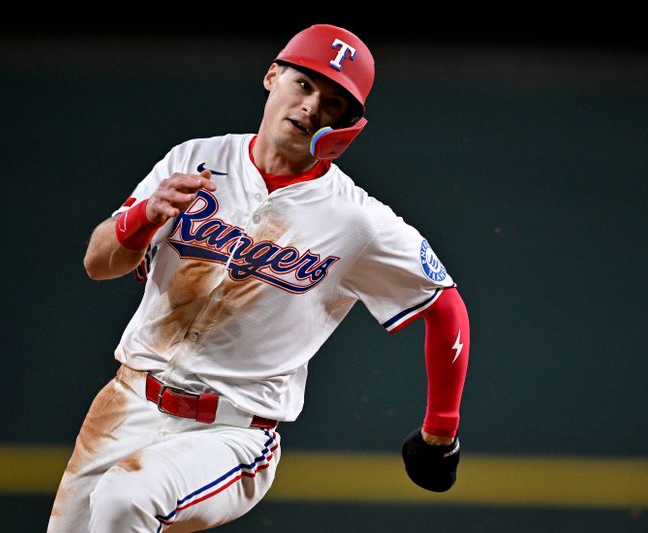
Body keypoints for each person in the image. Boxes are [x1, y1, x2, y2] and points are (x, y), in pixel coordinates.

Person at [48, 23, 470, 532]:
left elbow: (445, 307)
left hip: (232, 433)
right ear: (273, 75)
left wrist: (440, 432)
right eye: (305, 84)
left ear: (347, 124)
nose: (313, 106)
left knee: (126, 496)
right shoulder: (194, 157)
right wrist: (141, 218)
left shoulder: (357, 222)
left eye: (334, 102)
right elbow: (99, 263)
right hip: (127, 401)